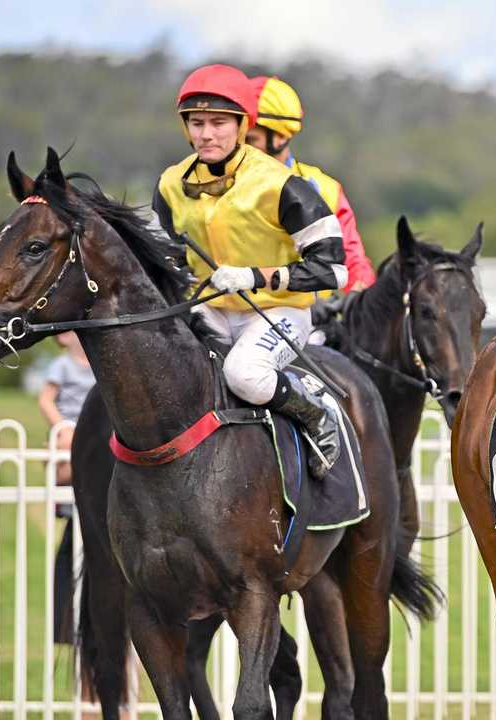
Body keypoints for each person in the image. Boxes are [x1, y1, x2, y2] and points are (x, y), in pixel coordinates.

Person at [150, 63, 347, 478]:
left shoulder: (281, 185)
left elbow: (333, 270)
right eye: (197, 123)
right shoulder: (170, 184)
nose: (206, 134)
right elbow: (163, 257)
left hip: (278, 312)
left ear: (243, 126)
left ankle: (317, 414)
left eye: (219, 123)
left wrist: (255, 276)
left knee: (243, 375)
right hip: (209, 309)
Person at [247, 75, 375, 293]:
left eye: (251, 140)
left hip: (308, 318)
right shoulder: (207, 186)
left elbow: (352, 261)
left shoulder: (326, 189)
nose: (242, 148)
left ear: (279, 136)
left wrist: (353, 298)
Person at [39, 331, 95, 645]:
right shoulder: (62, 366)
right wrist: (62, 426)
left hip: (94, 435)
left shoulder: (100, 364)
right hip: (69, 432)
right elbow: (46, 399)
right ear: (62, 337)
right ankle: (67, 496)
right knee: (65, 447)